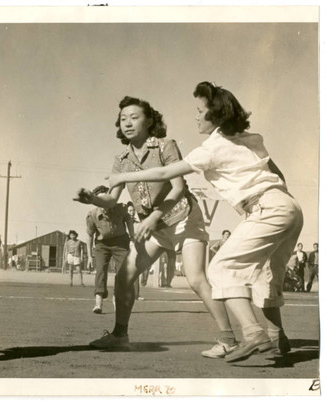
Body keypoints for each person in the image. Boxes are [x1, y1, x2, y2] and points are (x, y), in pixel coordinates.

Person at [107, 82, 303, 362]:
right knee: (267, 277)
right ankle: (276, 337)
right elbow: (276, 171)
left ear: (216, 113)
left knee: (221, 269)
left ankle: (252, 334)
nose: (195, 116)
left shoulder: (211, 148)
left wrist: (123, 178)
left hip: (264, 207)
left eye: (200, 111)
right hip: (288, 205)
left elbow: (165, 174)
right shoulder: (250, 137)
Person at [75, 95, 236, 359]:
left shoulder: (165, 146)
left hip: (183, 219)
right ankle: (120, 335)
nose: (127, 123)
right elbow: (112, 199)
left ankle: (229, 339)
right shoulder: (121, 158)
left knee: (196, 279)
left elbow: (179, 188)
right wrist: (92, 198)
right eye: (123, 119)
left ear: (150, 120)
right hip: (155, 229)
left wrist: (150, 218)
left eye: (134, 117)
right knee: (125, 277)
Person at [86, 185, 134, 314]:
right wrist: (90, 256)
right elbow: (90, 236)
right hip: (102, 244)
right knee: (101, 270)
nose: (104, 204)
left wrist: (133, 238)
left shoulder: (122, 208)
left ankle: (117, 301)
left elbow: (129, 220)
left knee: (122, 273)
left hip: (121, 242)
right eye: (100, 201)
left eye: (106, 200)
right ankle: (98, 303)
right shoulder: (92, 215)